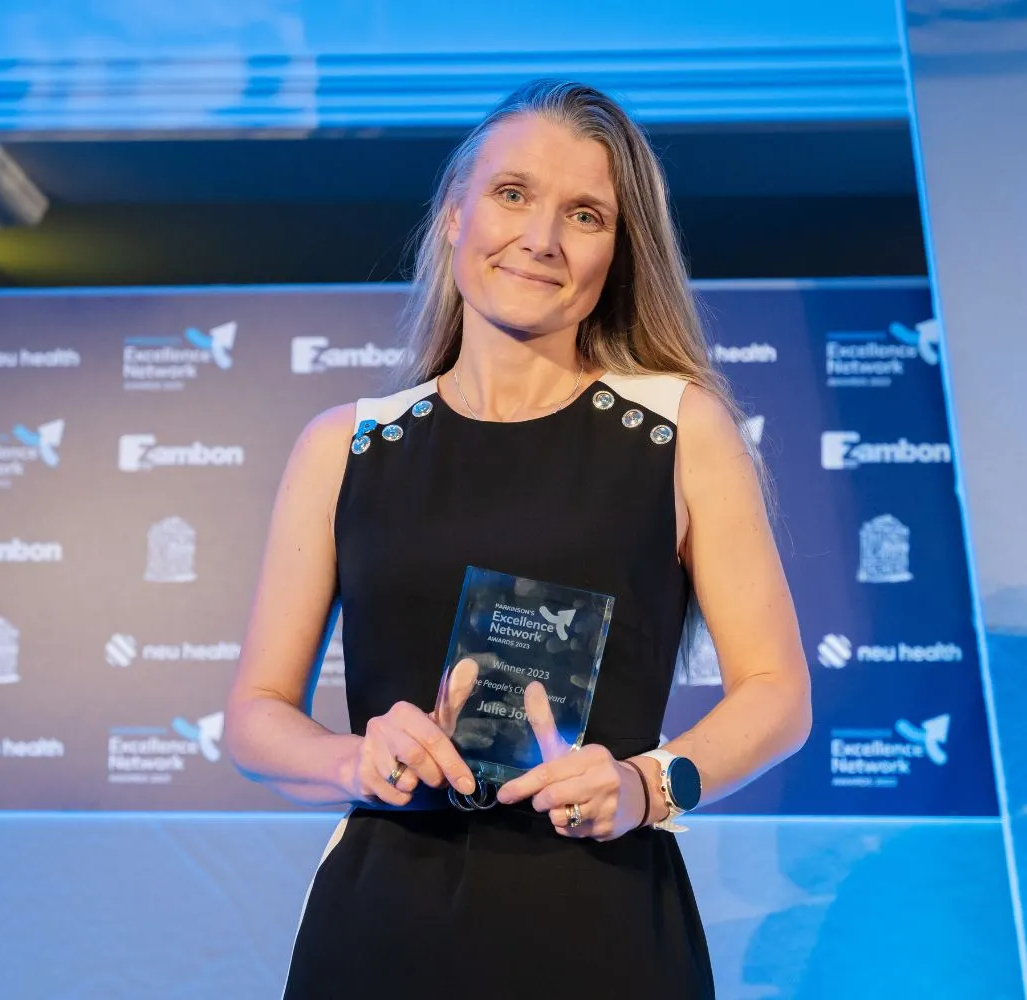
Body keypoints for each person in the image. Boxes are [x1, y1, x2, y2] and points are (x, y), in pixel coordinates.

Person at [225, 78, 812, 999]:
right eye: (511, 194)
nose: (540, 238)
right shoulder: (345, 444)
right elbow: (255, 715)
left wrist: (646, 786)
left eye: (584, 214)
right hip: (382, 926)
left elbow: (777, 695)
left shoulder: (677, 429)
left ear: (618, 253)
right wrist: (354, 758)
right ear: (455, 216)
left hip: (602, 923)